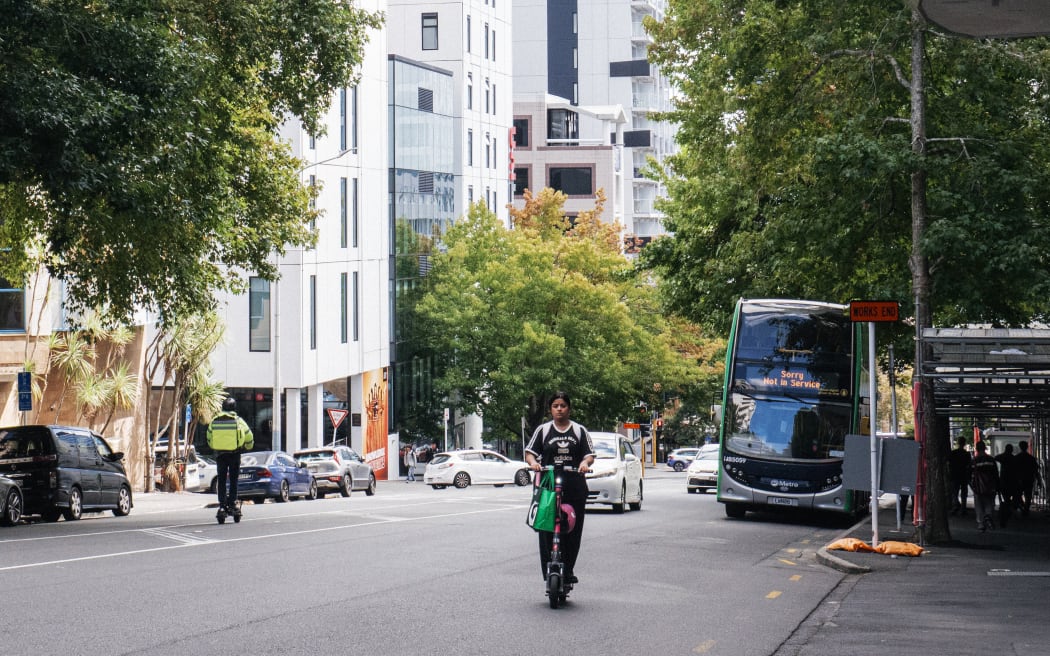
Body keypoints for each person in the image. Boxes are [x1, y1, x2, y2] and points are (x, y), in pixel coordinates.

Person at [524, 392, 595, 586]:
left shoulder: (579, 431)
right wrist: (533, 463)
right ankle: (549, 570)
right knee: (546, 529)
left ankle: (569, 569)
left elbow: (589, 455)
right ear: (550, 409)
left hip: (574, 487)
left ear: (569, 408)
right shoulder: (543, 430)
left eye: (563, 405)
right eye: (555, 405)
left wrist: (584, 464)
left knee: (573, 530)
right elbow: (530, 453)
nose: (559, 409)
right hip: (548, 486)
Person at [207, 397, 254, 520]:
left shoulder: (214, 421)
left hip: (220, 455)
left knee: (221, 481)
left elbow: (208, 437)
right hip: (234, 454)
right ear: (234, 408)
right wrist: (248, 446)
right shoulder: (238, 420)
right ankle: (232, 503)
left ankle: (222, 505)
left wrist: (216, 446)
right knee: (233, 480)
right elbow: (249, 436)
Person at [971, 441, 999, 532]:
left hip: (978, 486)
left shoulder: (974, 460)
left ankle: (981, 523)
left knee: (978, 504)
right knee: (989, 502)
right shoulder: (991, 459)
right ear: (985, 448)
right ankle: (988, 515)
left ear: (977, 449)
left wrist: (972, 484)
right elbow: (995, 473)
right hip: (990, 485)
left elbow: (970, 473)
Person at [948, 436, 972, 516]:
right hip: (964, 475)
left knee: (954, 492)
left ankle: (955, 506)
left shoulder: (953, 453)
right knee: (964, 493)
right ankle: (963, 508)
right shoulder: (967, 454)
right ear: (964, 443)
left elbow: (949, 463)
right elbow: (969, 465)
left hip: (954, 475)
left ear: (958, 443)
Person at [995, 443, 1018, 527]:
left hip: (1003, 480)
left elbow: (996, 457)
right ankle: (1007, 511)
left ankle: (1005, 512)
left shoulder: (1003, 457)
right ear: (1011, 450)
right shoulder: (1014, 458)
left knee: (1005, 498)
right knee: (1009, 499)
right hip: (1012, 481)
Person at [1015, 441, 1040, 517]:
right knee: (1028, 496)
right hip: (1029, 479)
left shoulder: (1017, 457)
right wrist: (1038, 480)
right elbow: (1036, 470)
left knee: (1017, 495)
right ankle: (1025, 510)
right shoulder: (1031, 458)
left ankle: (1022, 507)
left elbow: (1013, 470)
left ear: (1020, 447)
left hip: (1019, 479)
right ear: (1027, 447)